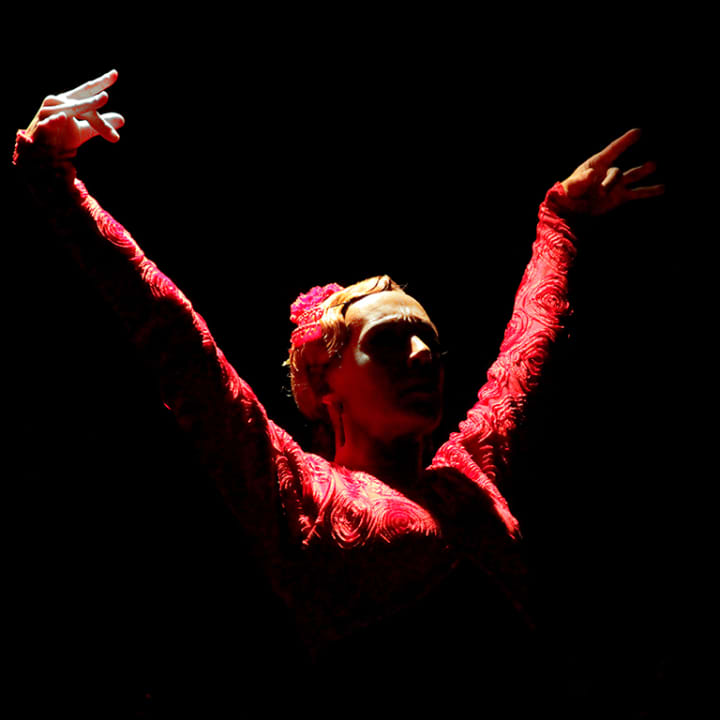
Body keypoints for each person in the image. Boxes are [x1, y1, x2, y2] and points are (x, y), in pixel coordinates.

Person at [13, 69, 664, 715]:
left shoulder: (469, 476)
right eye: (389, 341)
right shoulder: (305, 494)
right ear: (328, 383)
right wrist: (54, 178)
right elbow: (176, 338)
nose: (422, 355)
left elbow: (531, 344)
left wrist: (560, 220)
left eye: (428, 340)